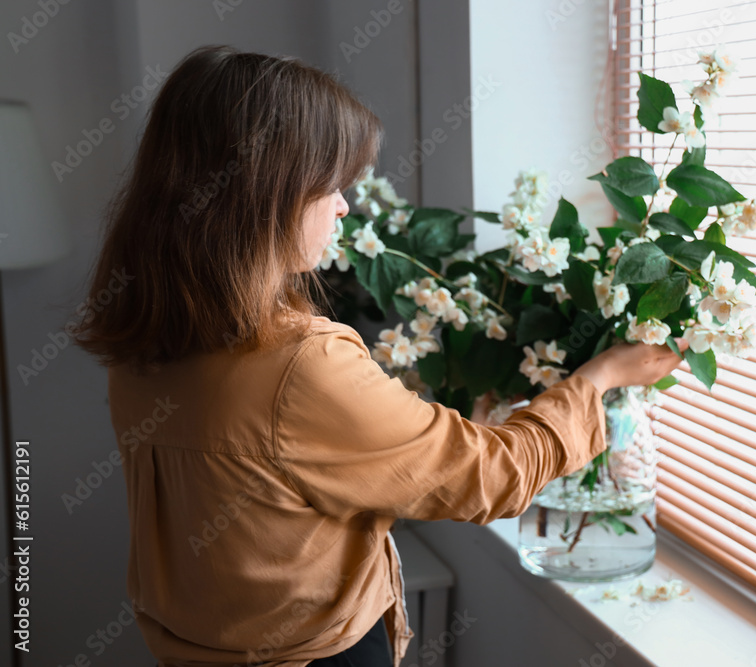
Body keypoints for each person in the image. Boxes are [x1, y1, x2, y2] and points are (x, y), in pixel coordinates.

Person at [70, 45, 687, 667]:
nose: (343, 205)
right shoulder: (299, 366)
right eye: (329, 184)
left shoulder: (145, 339)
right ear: (266, 192)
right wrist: (598, 378)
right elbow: (491, 475)